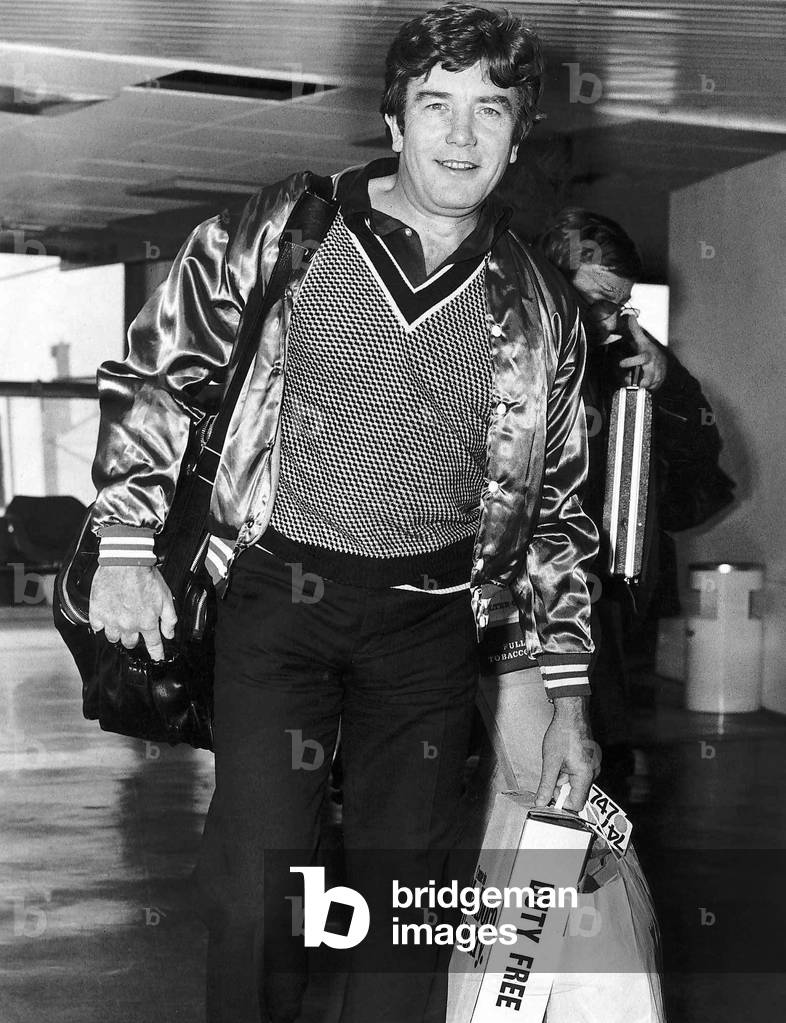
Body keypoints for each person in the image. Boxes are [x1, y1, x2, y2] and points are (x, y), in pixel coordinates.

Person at [87, 6, 600, 1021]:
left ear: (517, 135)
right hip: (280, 601)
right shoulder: (289, 228)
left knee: (406, 909)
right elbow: (155, 371)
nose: (462, 135)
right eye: (437, 106)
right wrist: (126, 543)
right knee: (259, 895)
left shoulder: (541, 305)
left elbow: (558, 511)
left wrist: (568, 699)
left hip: (429, 627)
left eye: (490, 110)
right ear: (394, 121)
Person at [539, 208, 734, 794]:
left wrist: (669, 382)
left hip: (612, 597)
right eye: (596, 301)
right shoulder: (508, 351)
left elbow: (700, 470)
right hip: (520, 595)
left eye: (621, 305)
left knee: (602, 765)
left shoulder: (632, 359)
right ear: (549, 286)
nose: (612, 319)